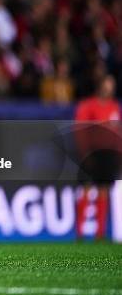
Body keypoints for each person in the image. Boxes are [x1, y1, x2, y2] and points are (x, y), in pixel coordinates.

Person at [74, 75, 121, 240]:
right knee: (86, 189)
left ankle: (99, 234)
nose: (110, 88)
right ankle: (79, 233)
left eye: (112, 85)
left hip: (108, 156)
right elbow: (81, 130)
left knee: (103, 191)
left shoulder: (114, 107)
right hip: (91, 153)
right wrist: (85, 152)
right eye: (107, 85)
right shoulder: (88, 106)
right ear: (100, 85)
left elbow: (117, 133)